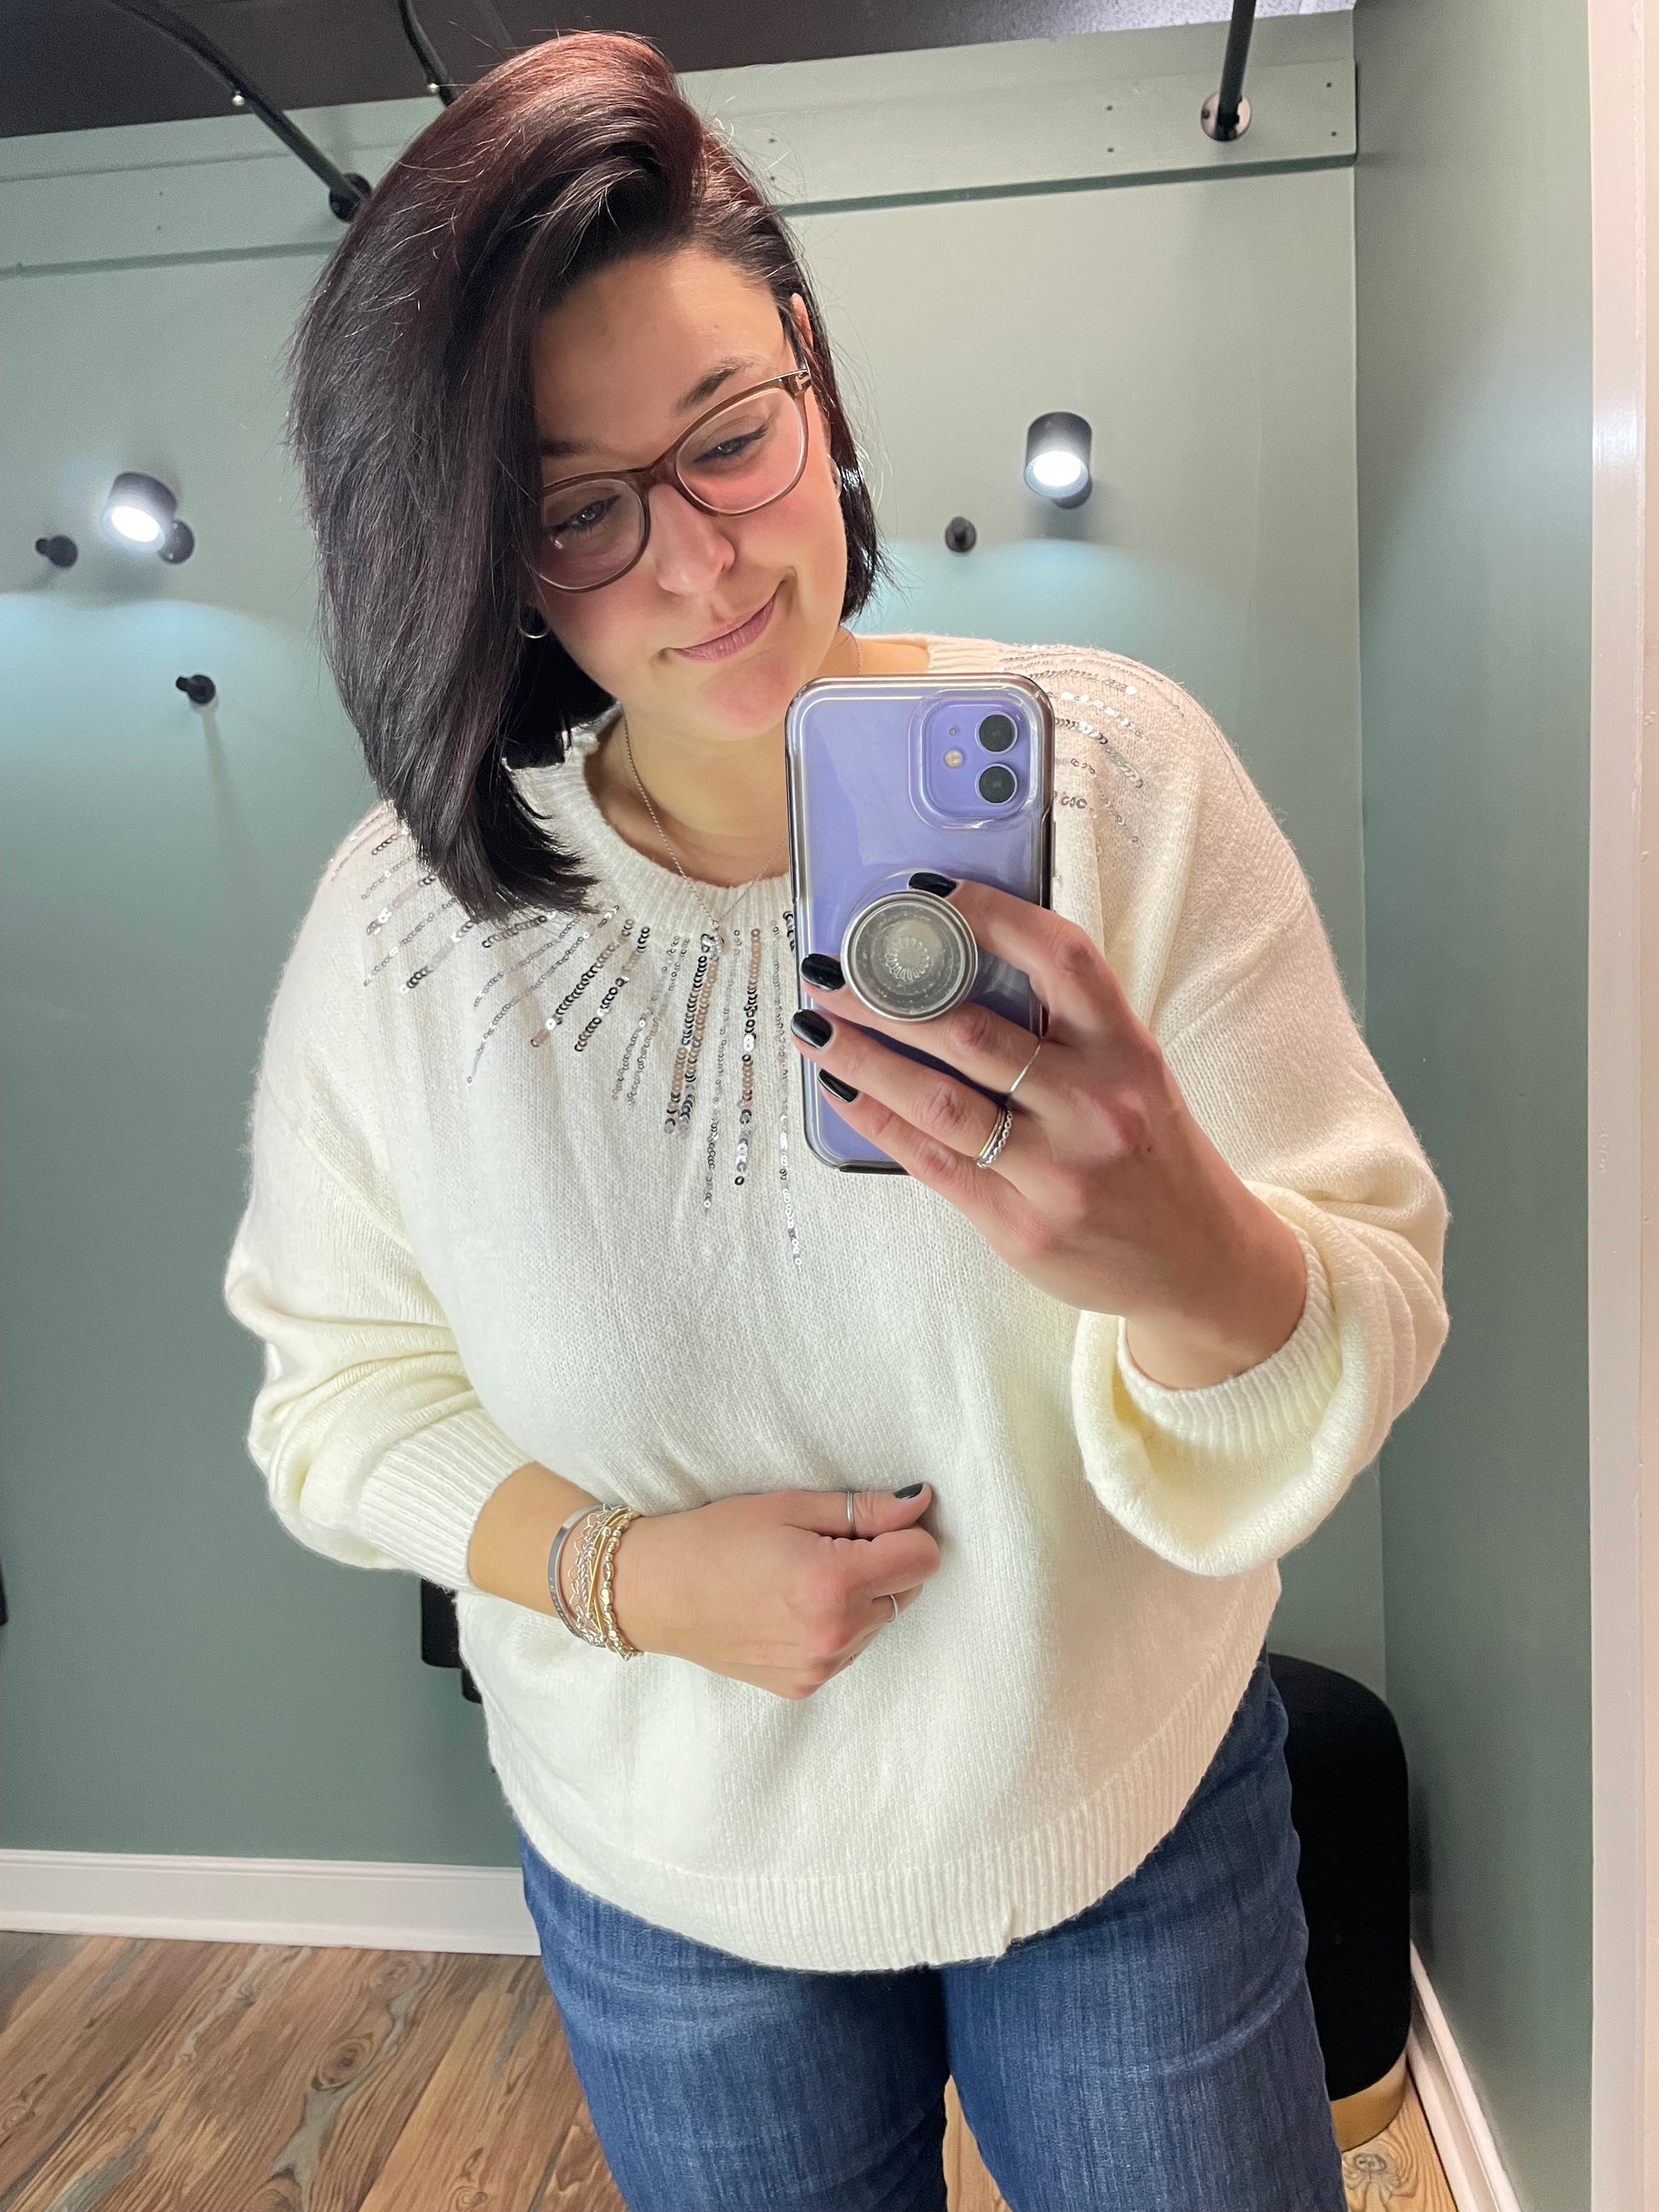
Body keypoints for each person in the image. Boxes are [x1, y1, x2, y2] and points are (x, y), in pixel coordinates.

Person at [222, 30, 1448, 2212]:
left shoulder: (1124, 783)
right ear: (488, 555)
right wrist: (624, 1576)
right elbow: (333, 1398)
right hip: (667, 1865)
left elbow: (1374, 1295)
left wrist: (1197, 1258)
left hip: (1124, 1807)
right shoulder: (404, 930)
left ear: (812, 369)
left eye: (729, 437)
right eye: (579, 510)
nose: (700, 564)